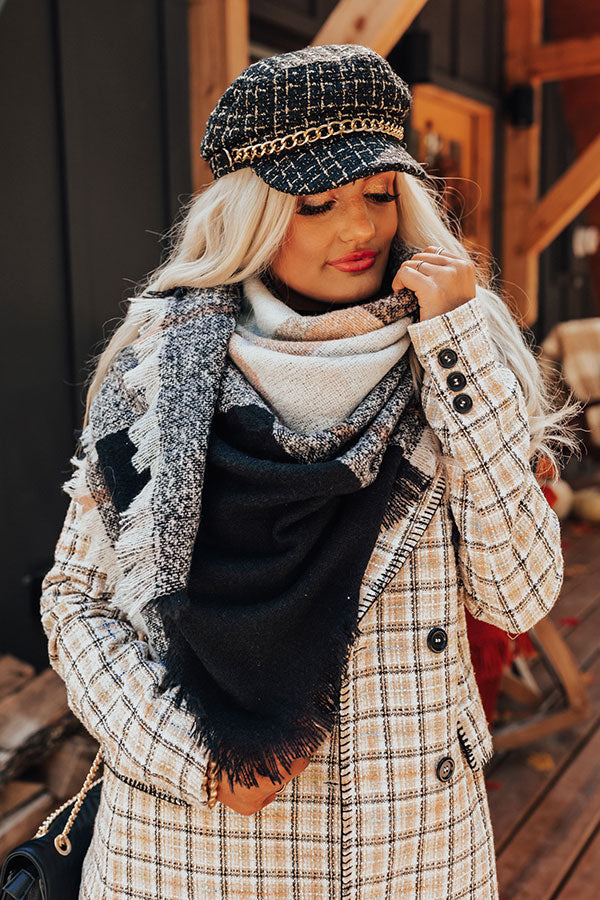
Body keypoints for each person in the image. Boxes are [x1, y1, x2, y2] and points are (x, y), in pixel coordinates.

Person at [40, 44, 573, 899]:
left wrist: (457, 344)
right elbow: (77, 600)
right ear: (252, 213)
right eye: (318, 202)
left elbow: (518, 595)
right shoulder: (159, 369)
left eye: (379, 194)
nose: (359, 230)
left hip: (409, 850)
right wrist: (197, 757)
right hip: (194, 851)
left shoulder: (454, 358)